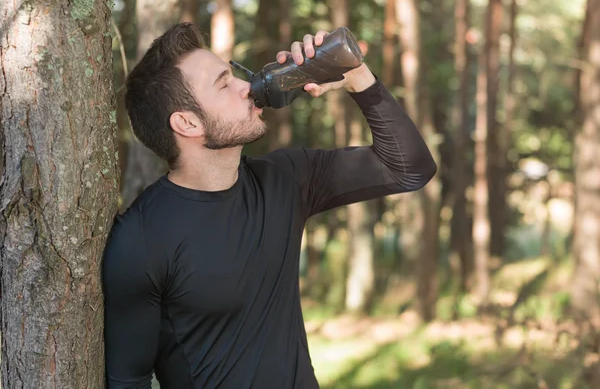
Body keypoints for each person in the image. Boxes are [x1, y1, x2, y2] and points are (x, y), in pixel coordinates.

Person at [102, 22, 437, 389]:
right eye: (223, 84)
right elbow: (128, 380)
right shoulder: (141, 238)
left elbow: (408, 169)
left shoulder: (285, 179)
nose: (247, 87)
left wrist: (356, 75)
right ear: (187, 123)